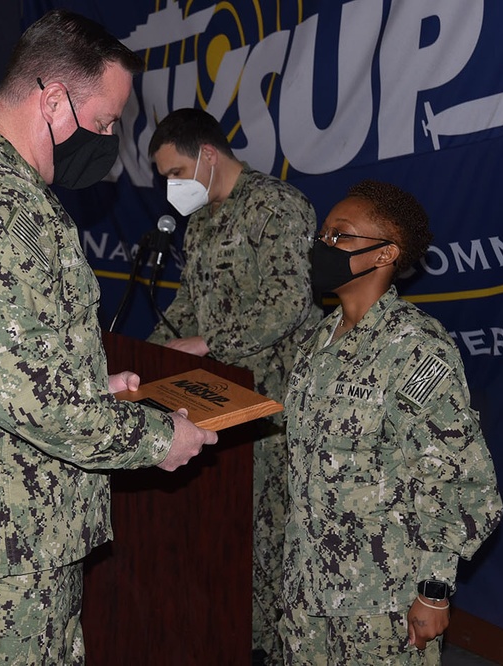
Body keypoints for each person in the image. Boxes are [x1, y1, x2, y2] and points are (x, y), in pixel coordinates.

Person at [0, 10, 218, 665]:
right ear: (54, 99)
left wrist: (96, 384)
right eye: (105, 123)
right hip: (2, 543)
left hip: (14, 529)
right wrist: (158, 439)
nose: (109, 140)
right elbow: (27, 396)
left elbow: (2, 357)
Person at [281, 180, 503, 665]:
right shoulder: (318, 342)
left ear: (384, 255)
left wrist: (434, 590)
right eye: (323, 235)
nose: (323, 246)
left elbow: (462, 482)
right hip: (308, 592)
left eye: (340, 236)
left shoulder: (416, 347)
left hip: (380, 603)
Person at [148, 107, 321, 664]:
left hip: (274, 400)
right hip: (216, 399)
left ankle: (269, 648)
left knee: (268, 534)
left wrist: (208, 343)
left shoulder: (276, 205)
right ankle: (233, 640)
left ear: (208, 155)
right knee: (226, 530)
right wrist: (150, 351)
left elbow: (290, 302)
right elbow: (187, 305)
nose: (171, 186)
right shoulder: (200, 223)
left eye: (176, 172)